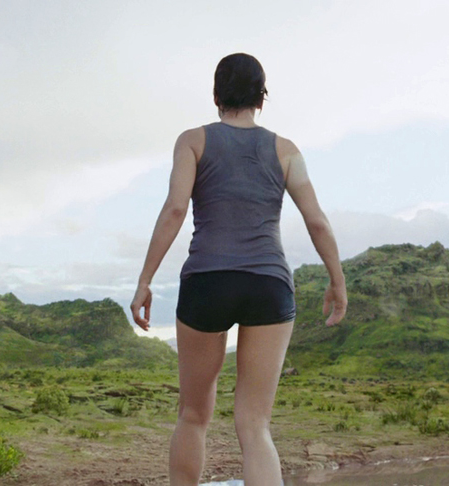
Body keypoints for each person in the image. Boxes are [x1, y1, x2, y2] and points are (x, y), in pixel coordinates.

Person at [130, 52, 347, 486]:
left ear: (216, 95)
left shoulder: (193, 141)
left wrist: (145, 280)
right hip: (268, 284)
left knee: (193, 415)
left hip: (207, 282)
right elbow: (317, 221)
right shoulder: (286, 151)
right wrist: (337, 281)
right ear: (261, 98)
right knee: (255, 423)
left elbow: (175, 209)